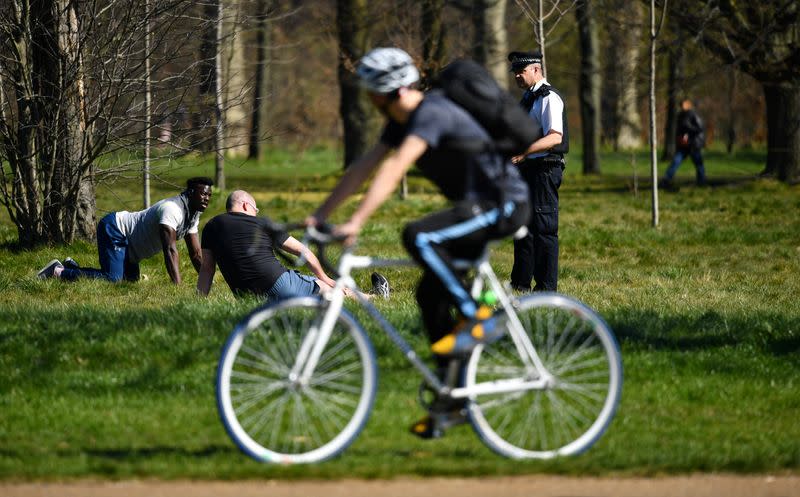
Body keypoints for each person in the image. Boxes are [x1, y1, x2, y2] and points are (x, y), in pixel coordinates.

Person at [306, 47, 530, 437]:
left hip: (503, 204)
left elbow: (395, 167)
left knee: (418, 235)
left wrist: (356, 221)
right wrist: (320, 216)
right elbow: (363, 167)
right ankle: (453, 399)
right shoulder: (400, 121)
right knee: (429, 295)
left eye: (370, 93)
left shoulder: (431, 113)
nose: (369, 101)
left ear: (384, 92)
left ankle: (480, 317)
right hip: (475, 209)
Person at [197, 190, 387, 301]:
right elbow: (303, 251)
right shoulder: (261, 223)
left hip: (245, 295)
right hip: (277, 284)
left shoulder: (211, 226)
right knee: (325, 288)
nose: (256, 212)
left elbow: (206, 269)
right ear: (246, 206)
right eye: (256, 209)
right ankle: (373, 297)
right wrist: (325, 278)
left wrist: (199, 302)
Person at [37, 177, 213, 284]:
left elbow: (196, 254)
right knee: (113, 280)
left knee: (129, 280)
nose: (207, 199)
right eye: (203, 194)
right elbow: (170, 250)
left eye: (209, 195)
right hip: (116, 229)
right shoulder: (171, 209)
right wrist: (177, 287)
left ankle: (72, 268)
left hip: (130, 247)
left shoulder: (192, 215)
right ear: (190, 193)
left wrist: (207, 282)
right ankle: (57, 272)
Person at [507, 50, 569, 293]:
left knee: (544, 229)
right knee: (522, 228)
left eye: (520, 72)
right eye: (515, 73)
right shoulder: (528, 99)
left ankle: (545, 288)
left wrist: (524, 152)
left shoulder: (548, 97)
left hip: (544, 169)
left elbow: (554, 136)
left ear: (536, 69)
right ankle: (520, 283)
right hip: (528, 169)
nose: (517, 77)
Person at [662, 98, 707, 188]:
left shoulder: (693, 115)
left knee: (698, 163)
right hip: (683, 144)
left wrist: (688, 128)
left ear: (689, 105)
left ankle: (702, 181)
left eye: (684, 104)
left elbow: (700, 129)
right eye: (681, 104)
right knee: (675, 161)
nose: (682, 106)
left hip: (693, 144)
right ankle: (666, 179)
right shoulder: (680, 115)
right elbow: (680, 130)